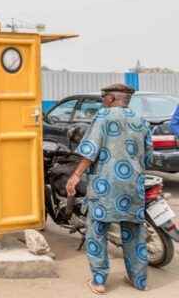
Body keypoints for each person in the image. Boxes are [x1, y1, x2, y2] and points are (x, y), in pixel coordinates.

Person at [65, 84, 153, 294]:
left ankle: (99, 280)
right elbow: (148, 158)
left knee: (97, 231)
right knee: (134, 233)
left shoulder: (103, 117)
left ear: (111, 99)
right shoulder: (141, 121)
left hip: (105, 185)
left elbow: (90, 151)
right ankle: (139, 281)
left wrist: (76, 175)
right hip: (133, 185)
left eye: (104, 97)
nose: (102, 101)